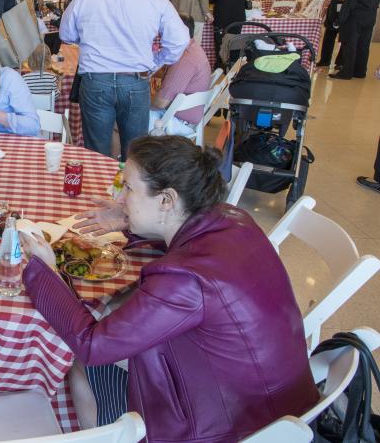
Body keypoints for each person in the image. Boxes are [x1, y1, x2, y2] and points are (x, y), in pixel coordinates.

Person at [20, 136, 319, 440]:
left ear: (166, 200)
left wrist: (46, 272)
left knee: (78, 358)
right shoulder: (233, 218)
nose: (121, 198)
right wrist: (128, 221)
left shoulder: (184, 278)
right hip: (276, 400)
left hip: (228, 427)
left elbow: (92, 344)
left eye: (129, 189)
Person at [60, 0, 189, 157]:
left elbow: (66, 35)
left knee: (96, 153)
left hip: (96, 78)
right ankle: (127, 188)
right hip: (135, 79)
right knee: (135, 153)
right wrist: (157, 61)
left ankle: (99, 188)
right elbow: (179, 40)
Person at [148, 39, 211, 136]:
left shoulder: (185, 58)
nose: (160, 38)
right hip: (184, 118)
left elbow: (160, 103)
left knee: (121, 117)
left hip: (175, 122)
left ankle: (126, 151)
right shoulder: (193, 49)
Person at [332, 0, 380, 80]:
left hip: (355, 18)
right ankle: (360, 71)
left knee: (350, 45)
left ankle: (346, 72)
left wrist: (340, 20)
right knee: (364, 45)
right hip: (370, 17)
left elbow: (349, 4)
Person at [318, 0, 361, 69]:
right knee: (328, 37)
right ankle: (324, 60)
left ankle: (340, 63)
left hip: (347, 14)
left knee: (344, 39)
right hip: (334, 11)